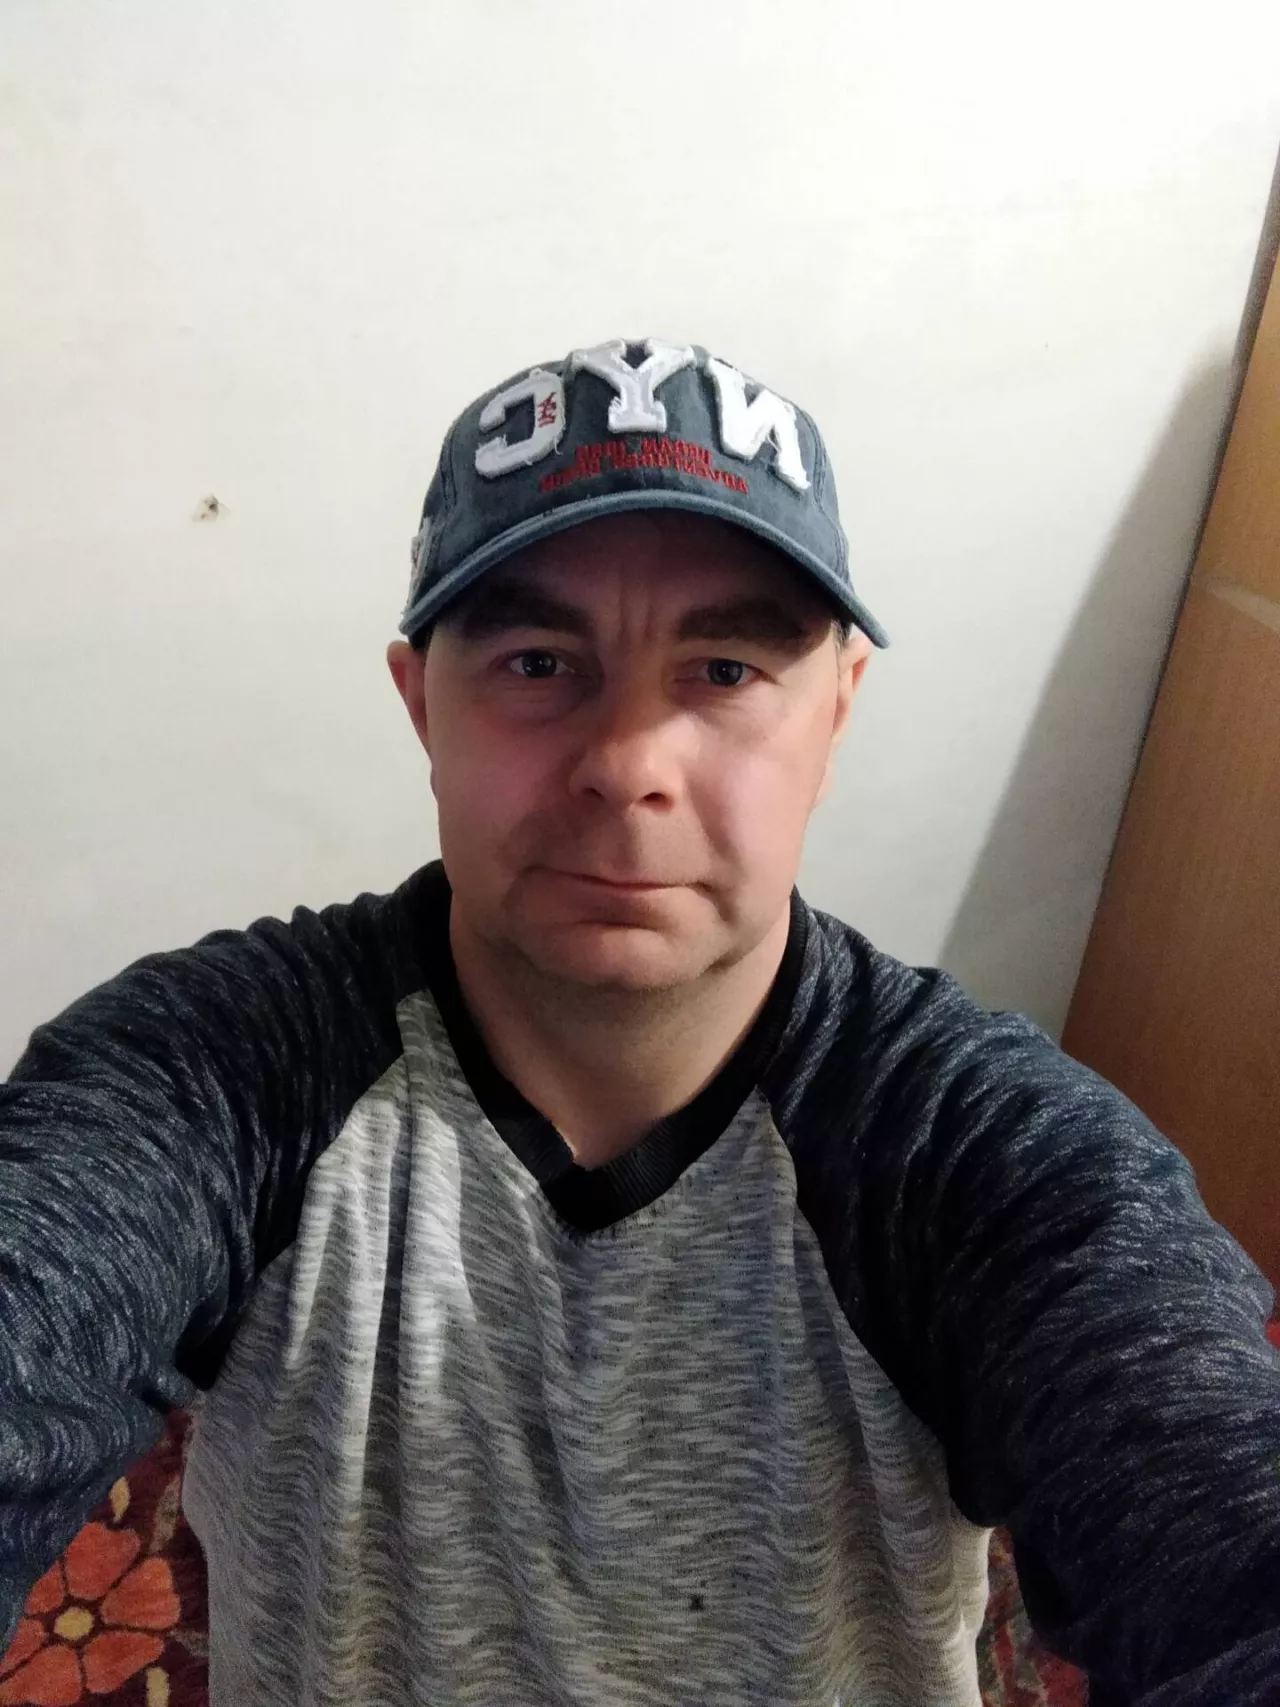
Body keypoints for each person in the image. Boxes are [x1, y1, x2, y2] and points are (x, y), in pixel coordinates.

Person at [2, 337, 1278, 1707]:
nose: (626, 765)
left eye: (724, 670)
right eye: (539, 661)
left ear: (837, 712)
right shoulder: (220, 1072)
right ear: (421, 706)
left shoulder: (970, 1149)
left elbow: (1220, 1511)